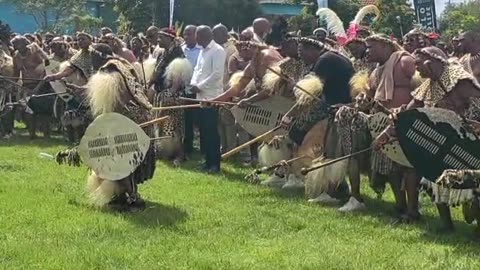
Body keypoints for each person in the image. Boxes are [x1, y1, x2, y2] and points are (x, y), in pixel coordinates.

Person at [373, 46, 480, 230]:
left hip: (468, 141)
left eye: (418, 64)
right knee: (433, 175)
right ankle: (446, 226)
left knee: (473, 186)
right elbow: (408, 112)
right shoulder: (427, 86)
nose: (416, 69)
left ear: (431, 61)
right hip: (440, 144)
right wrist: (387, 133)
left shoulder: (461, 80)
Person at [84, 43, 155, 211]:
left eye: (92, 56)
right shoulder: (122, 64)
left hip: (126, 121)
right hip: (138, 116)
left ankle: (133, 198)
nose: (90, 60)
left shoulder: (108, 70)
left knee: (121, 161)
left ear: (98, 56)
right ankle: (120, 195)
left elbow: (112, 102)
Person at [364, 34, 421, 222]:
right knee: (393, 168)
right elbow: (371, 96)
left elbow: (423, 90)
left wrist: (407, 112)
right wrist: (363, 99)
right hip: (385, 124)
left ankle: (413, 210)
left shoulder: (404, 61)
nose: (367, 51)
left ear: (384, 45)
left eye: (371, 47)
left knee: (409, 167)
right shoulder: (376, 71)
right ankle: (400, 206)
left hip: (409, 121)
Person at [149, 28, 192, 165]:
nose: (158, 40)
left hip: (172, 95)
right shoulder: (162, 53)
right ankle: (166, 152)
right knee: (161, 123)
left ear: (170, 39)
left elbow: (178, 77)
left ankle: (179, 155)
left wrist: (171, 93)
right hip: (161, 93)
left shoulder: (177, 54)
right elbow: (157, 72)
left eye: (161, 37)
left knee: (173, 126)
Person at [191, 25, 226, 173]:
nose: (195, 38)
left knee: (211, 131)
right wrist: (193, 83)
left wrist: (200, 86)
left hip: (212, 96)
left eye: (197, 35)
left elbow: (217, 74)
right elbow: (197, 70)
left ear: (204, 36)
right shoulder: (202, 51)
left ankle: (214, 164)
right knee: (204, 130)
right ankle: (207, 161)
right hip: (200, 95)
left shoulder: (218, 50)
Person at [11, 35, 53, 139]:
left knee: (43, 111)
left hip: (41, 84)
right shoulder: (16, 56)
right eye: (14, 44)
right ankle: (32, 134)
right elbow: (16, 74)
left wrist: (38, 87)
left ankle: (46, 134)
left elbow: (46, 66)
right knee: (27, 111)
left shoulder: (35, 51)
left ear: (25, 43)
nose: (16, 46)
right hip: (26, 86)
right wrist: (11, 85)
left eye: (18, 43)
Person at [181, 25, 201, 156]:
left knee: (200, 120)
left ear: (196, 35)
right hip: (185, 89)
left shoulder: (202, 50)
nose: (186, 37)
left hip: (199, 89)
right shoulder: (182, 49)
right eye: (185, 34)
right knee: (186, 119)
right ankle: (188, 147)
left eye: (189, 34)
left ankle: (203, 147)